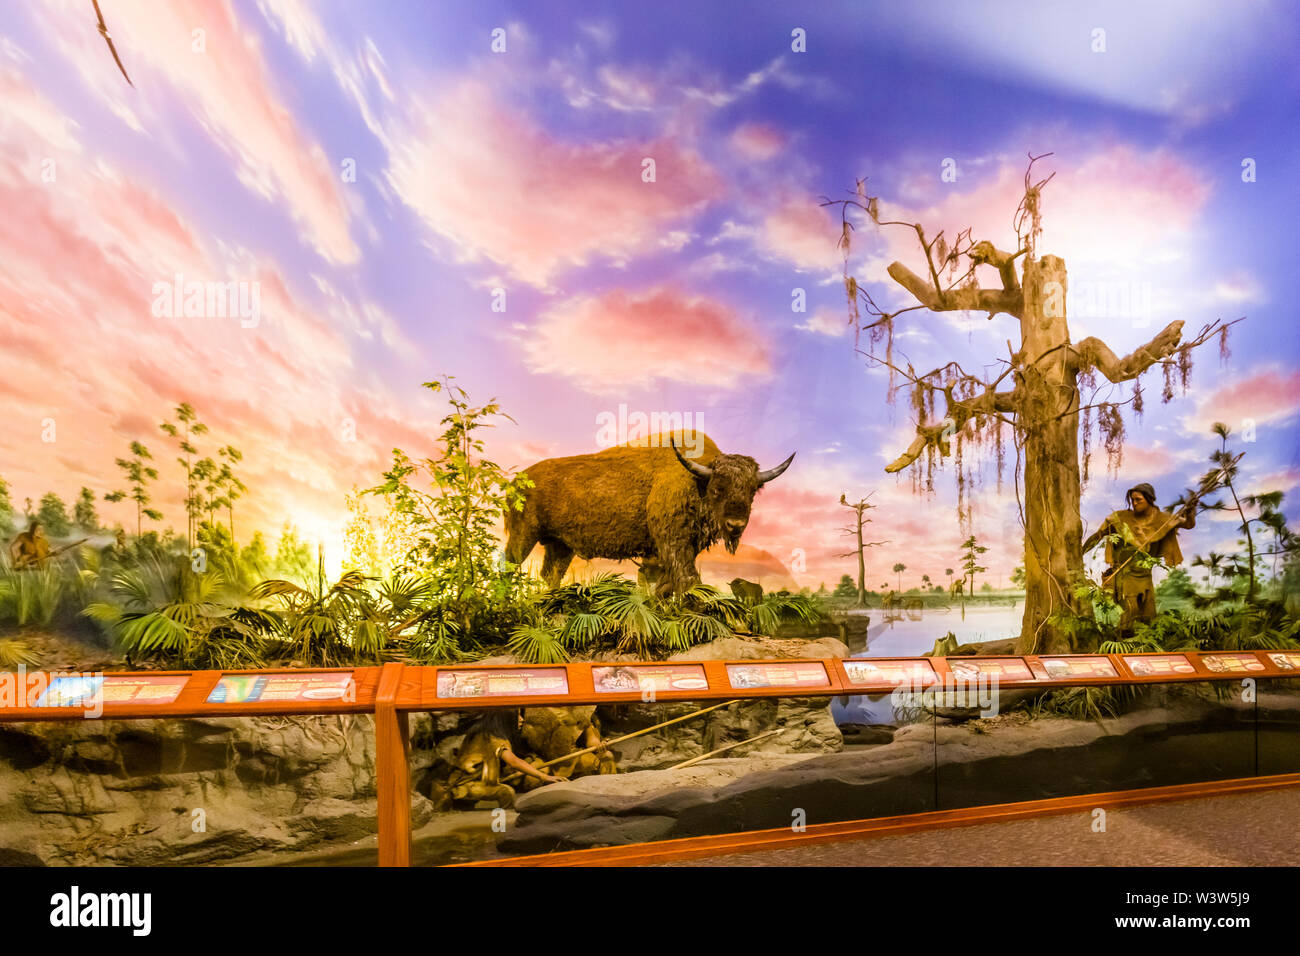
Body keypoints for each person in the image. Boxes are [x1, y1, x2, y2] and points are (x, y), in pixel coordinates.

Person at [1083, 482, 1195, 632]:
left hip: (1145, 576)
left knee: (1148, 617)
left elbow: (1188, 524)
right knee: (1129, 616)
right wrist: (1080, 551)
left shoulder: (1163, 520)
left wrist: (1191, 510)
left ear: (1149, 499)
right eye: (1132, 500)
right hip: (1126, 576)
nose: (1134, 503)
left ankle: (1145, 649)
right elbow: (1098, 535)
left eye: (1138, 500)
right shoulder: (1121, 518)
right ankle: (1125, 646)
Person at [442, 710, 562, 810]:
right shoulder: (493, 738)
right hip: (463, 786)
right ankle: (505, 826)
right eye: (517, 716)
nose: (521, 719)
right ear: (505, 719)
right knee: (506, 792)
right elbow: (514, 762)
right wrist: (544, 777)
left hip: (461, 781)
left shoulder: (482, 732)